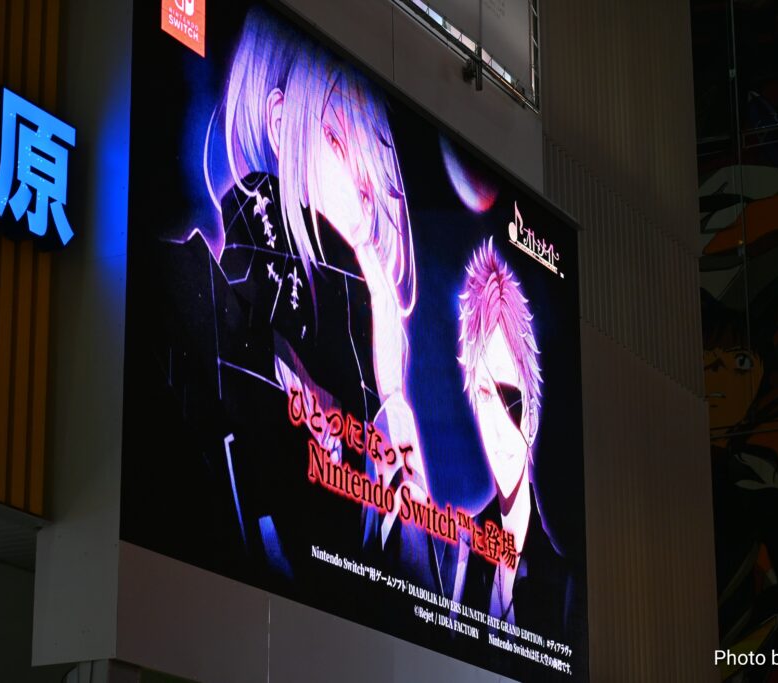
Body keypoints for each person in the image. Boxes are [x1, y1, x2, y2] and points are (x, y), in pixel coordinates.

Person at [202, 6, 436, 593]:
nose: (361, 197)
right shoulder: (214, 313)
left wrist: (391, 412)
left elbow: (402, 602)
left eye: (373, 176)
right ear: (282, 124)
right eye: (336, 139)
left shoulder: (361, 376)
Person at [446, 238, 569, 637]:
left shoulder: (561, 581)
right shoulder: (459, 555)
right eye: (485, 394)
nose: (498, 423)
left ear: (531, 418)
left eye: (510, 397)